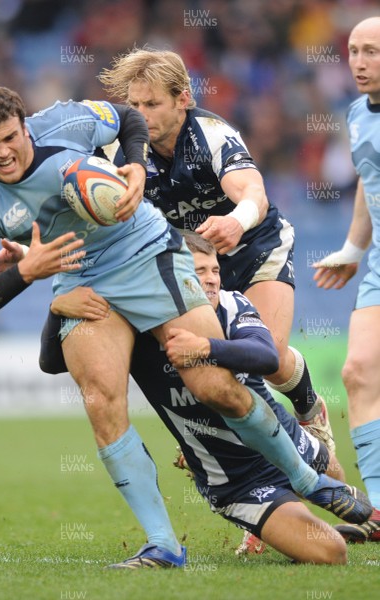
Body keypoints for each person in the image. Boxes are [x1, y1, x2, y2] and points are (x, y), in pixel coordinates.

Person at [0, 85, 370, 571]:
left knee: (215, 385)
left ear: (25, 125)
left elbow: (127, 116)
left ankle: (308, 478)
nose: (2, 152)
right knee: (102, 403)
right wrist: (25, 272)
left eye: (9, 137)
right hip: (82, 281)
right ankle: (163, 545)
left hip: (147, 252)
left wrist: (132, 162)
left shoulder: (67, 121)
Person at [43, 232, 349, 565]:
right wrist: (57, 307)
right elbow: (52, 362)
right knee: (331, 552)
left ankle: (303, 462)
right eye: (199, 271)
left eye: (215, 270)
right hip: (238, 481)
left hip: (286, 436)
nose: (212, 280)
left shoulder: (232, 304)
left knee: (340, 482)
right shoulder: (137, 328)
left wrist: (207, 348)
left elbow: (267, 357)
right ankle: (271, 516)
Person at [97, 48, 335, 453]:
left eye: (152, 104)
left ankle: (309, 409)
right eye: (134, 105)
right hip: (192, 262)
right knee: (203, 360)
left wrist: (235, 222)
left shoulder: (211, 134)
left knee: (269, 357)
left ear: (183, 99)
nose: (140, 115)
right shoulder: (115, 151)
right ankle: (214, 440)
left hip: (253, 246)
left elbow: (253, 194)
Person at [313, 16, 380, 544]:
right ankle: (378, 507)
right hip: (378, 265)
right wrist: (354, 249)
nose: (360, 61)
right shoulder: (357, 114)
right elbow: (367, 179)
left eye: (373, 51)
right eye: (355, 50)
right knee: (358, 372)